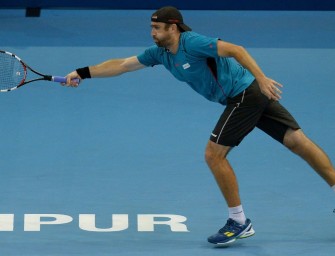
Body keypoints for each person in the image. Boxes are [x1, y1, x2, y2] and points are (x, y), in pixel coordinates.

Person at [64, 6, 335, 246]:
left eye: (157, 28)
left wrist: (262, 78)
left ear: (173, 27)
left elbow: (236, 50)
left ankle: (238, 221)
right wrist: (82, 73)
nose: (152, 33)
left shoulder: (192, 43)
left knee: (213, 155)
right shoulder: (160, 53)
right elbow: (122, 65)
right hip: (247, 93)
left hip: (244, 95)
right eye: (151, 28)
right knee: (297, 141)